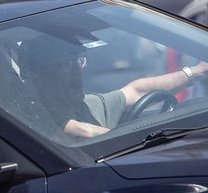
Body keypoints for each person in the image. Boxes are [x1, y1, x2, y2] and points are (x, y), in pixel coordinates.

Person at [19, 36, 208, 138]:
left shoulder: (86, 105)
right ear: (36, 77)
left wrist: (195, 72)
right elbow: (81, 131)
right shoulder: (34, 122)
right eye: (65, 64)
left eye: (78, 61)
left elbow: (136, 91)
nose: (77, 70)